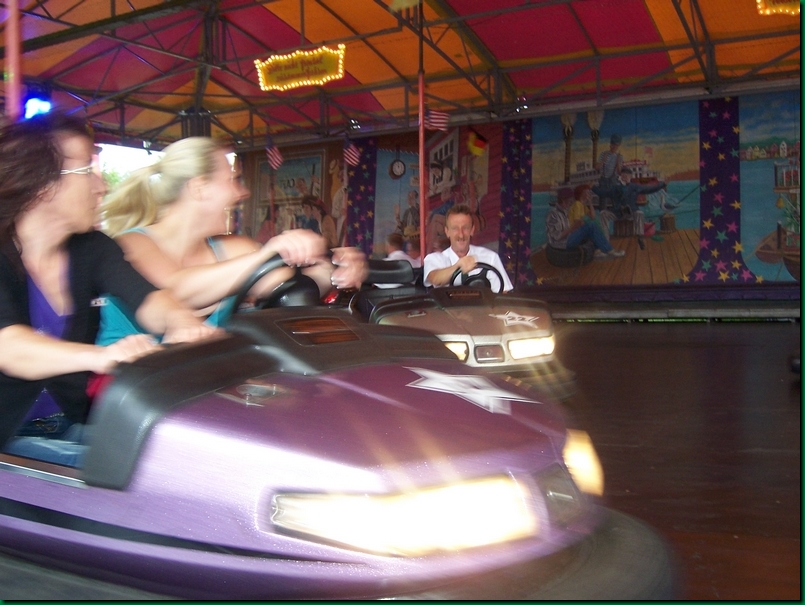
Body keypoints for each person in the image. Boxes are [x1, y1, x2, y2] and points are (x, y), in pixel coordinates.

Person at [0, 113, 216, 465]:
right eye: (87, 170)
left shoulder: (92, 248)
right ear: (41, 183)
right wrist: (103, 356)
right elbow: (10, 349)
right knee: (130, 474)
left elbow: (148, 299)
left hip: (69, 424)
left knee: (181, 456)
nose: (101, 187)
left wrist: (181, 322)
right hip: (6, 435)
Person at [99, 137, 367, 343]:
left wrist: (335, 270)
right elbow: (174, 292)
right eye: (232, 180)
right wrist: (266, 253)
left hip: (195, 383)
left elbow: (287, 287)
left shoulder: (233, 248)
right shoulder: (130, 245)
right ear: (199, 188)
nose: (242, 193)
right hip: (126, 389)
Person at [423, 204, 513, 292]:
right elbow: (435, 279)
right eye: (455, 228)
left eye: (465, 228)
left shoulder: (491, 257)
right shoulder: (435, 259)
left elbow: (503, 293)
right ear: (447, 232)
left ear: (472, 230)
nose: (461, 235)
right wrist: (458, 266)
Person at [545, 187, 625, 260]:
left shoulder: (567, 211)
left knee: (591, 227)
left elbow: (592, 216)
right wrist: (573, 228)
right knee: (591, 226)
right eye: (570, 200)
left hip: (569, 238)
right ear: (563, 200)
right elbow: (556, 237)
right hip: (562, 244)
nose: (571, 203)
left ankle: (598, 251)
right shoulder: (553, 214)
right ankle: (609, 250)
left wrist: (578, 226)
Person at [611, 167, 668, 250]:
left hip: (631, 211)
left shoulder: (634, 187)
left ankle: (640, 236)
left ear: (630, 176)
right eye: (623, 176)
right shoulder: (616, 187)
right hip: (620, 212)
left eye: (626, 176)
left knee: (639, 213)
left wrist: (662, 184)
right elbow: (607, 194)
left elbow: (649, 189)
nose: (624, 178)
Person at [595, 134, 624, 210]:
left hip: (613, 180)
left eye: (616, 145)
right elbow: (596, 167)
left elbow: (620, 172)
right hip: (603, 180)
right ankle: (603, 215)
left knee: (615, 201)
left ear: (618, 146)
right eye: (613, 145)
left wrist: (618, 163)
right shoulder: (603, 154)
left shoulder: (620, 157)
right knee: (603, 201)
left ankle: (616, 215)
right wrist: (603, 161)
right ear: (610, 144)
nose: (614, 147)